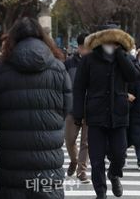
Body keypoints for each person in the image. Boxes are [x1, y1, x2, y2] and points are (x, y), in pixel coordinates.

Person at [0, 17, 72, 199]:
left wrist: (8, 123)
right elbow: (66, 107)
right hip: (48, 154)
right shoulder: (58, 68)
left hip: (11, 153)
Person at [73, 26, 139, 199]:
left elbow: (133, 76)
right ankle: (100, 193)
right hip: (95, 115)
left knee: (120, 155)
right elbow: (79, 87)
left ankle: (114, 174)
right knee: (96, 159)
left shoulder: (124, 58)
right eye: (107, 40)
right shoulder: (89, 60)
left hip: (118, 114)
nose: (111, 44)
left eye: (114, 41)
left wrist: (120, 54)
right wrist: (78, 114)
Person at [64, 33, 90, 183]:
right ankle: (74, 161)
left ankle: (82, 170)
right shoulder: (68, 64)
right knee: (69, 139)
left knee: (86, 142)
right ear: (79, 48)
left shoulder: (95, 64)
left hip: (90, 108)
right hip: (72, 109)